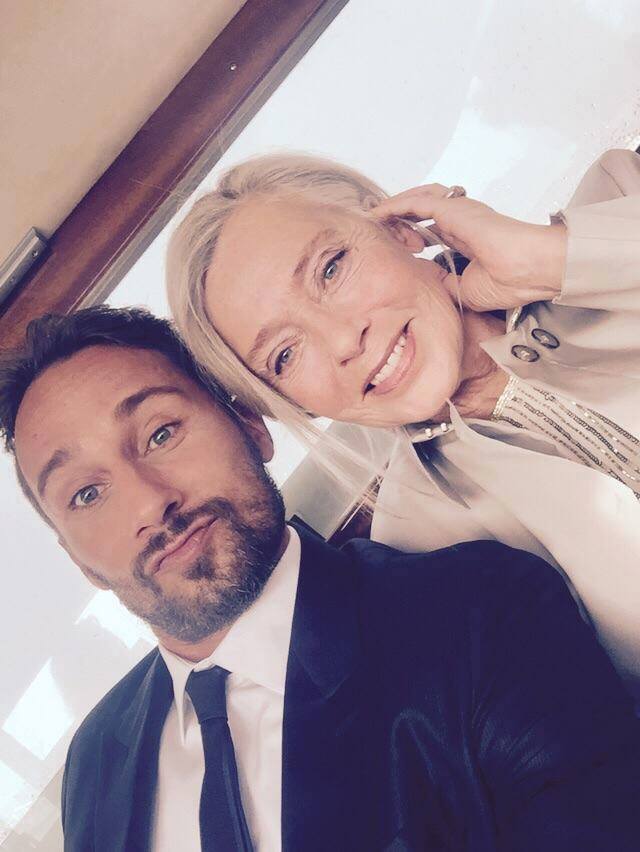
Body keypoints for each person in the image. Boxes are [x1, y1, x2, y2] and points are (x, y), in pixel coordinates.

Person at [1, 306, 640, 851]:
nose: (149, 503)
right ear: (79, 560)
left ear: (249, 425)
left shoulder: (478, 613)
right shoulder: (95, 761)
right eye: (86, 494)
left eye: (161, 433)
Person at [166, 147, 640, 685]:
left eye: (331, 270)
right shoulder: (421, 551)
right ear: (294, 404)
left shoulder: (620, 193)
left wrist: (549, 261)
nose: (343, 340)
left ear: (398, 228)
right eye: (285, 355)